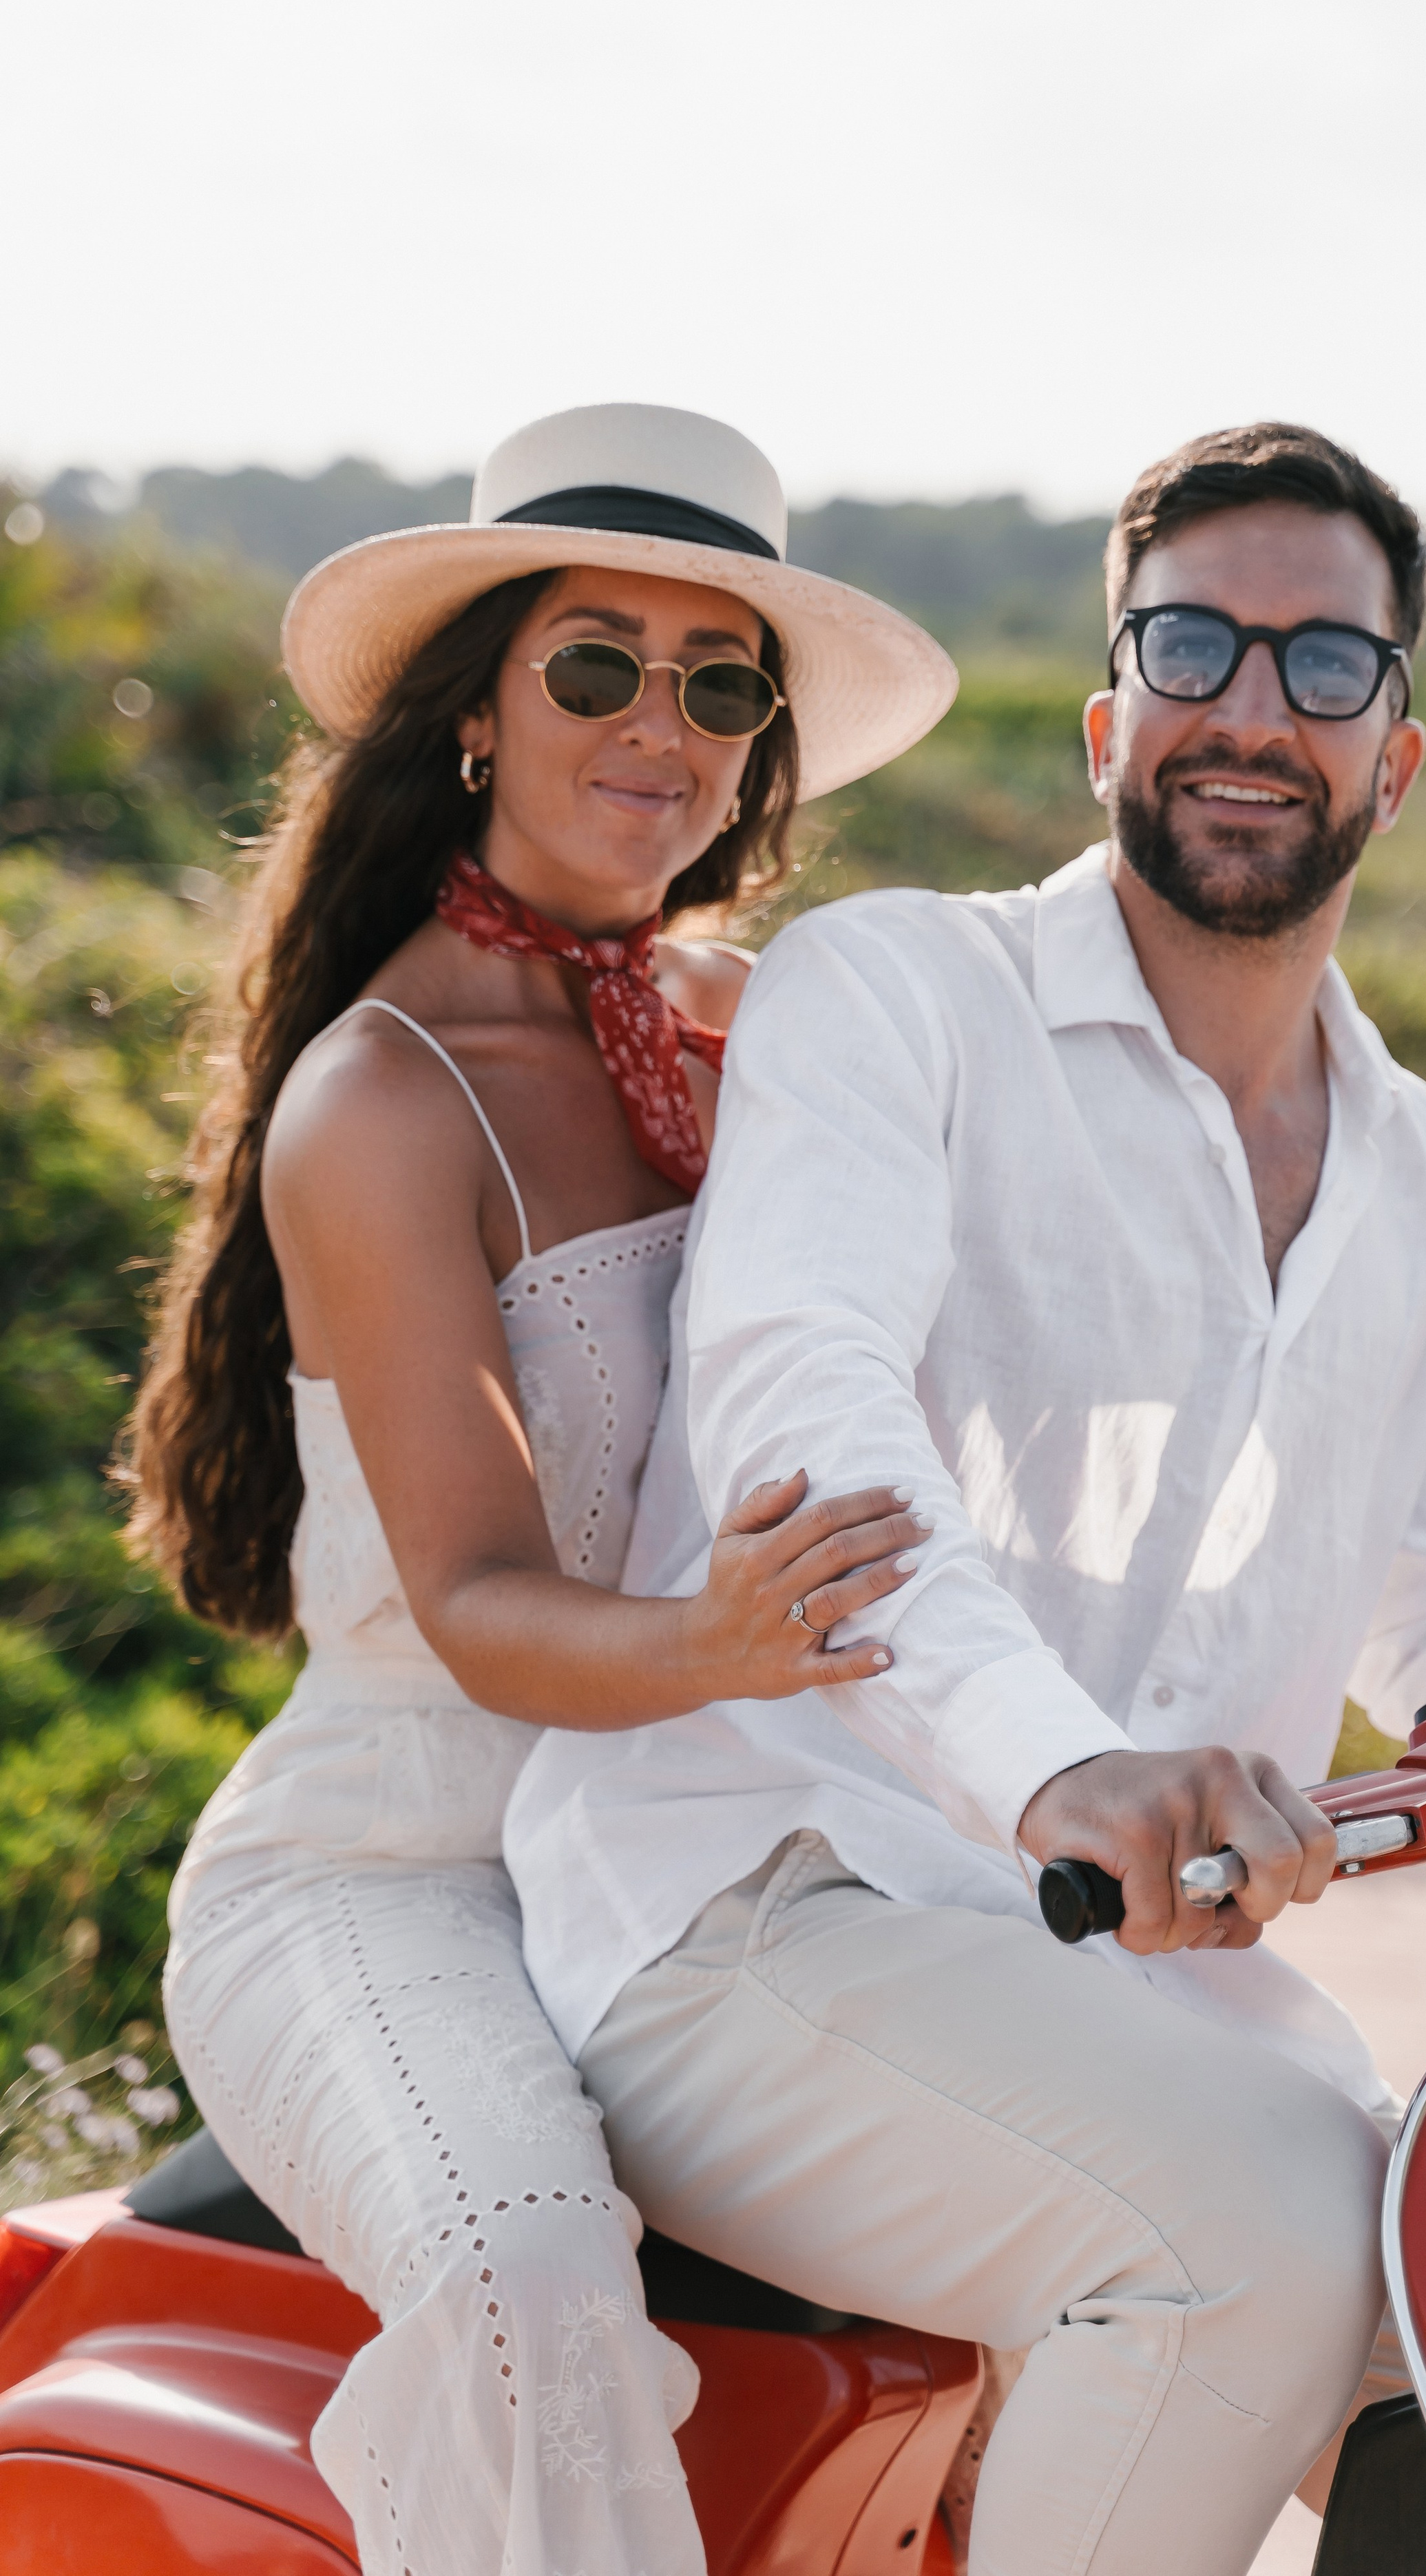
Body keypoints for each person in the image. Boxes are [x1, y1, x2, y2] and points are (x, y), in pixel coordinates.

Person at [504, 422, 1426, 2576]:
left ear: (1400, 754)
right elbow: (800, 1396)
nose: (1253, 709)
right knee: (1253, 2252)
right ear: (1113, 714)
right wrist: (1058, 1762)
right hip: (761, 1907)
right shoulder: (908, 992)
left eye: (1324, 666)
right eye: (1194, 644)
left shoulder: (1416, 1170)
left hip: (1139, 1987)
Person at [126, 403, 957, 2576]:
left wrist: (1370, 1288)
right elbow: (485, 1597)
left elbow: (1034, 1320)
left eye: (717, 683)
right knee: (527, 2280)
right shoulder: (385, 1100)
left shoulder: (772, 1026)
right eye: (595, 664)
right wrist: (711, 1642)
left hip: (708, 1852)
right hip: (399, 1878)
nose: (657, 725)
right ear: (479, 712)